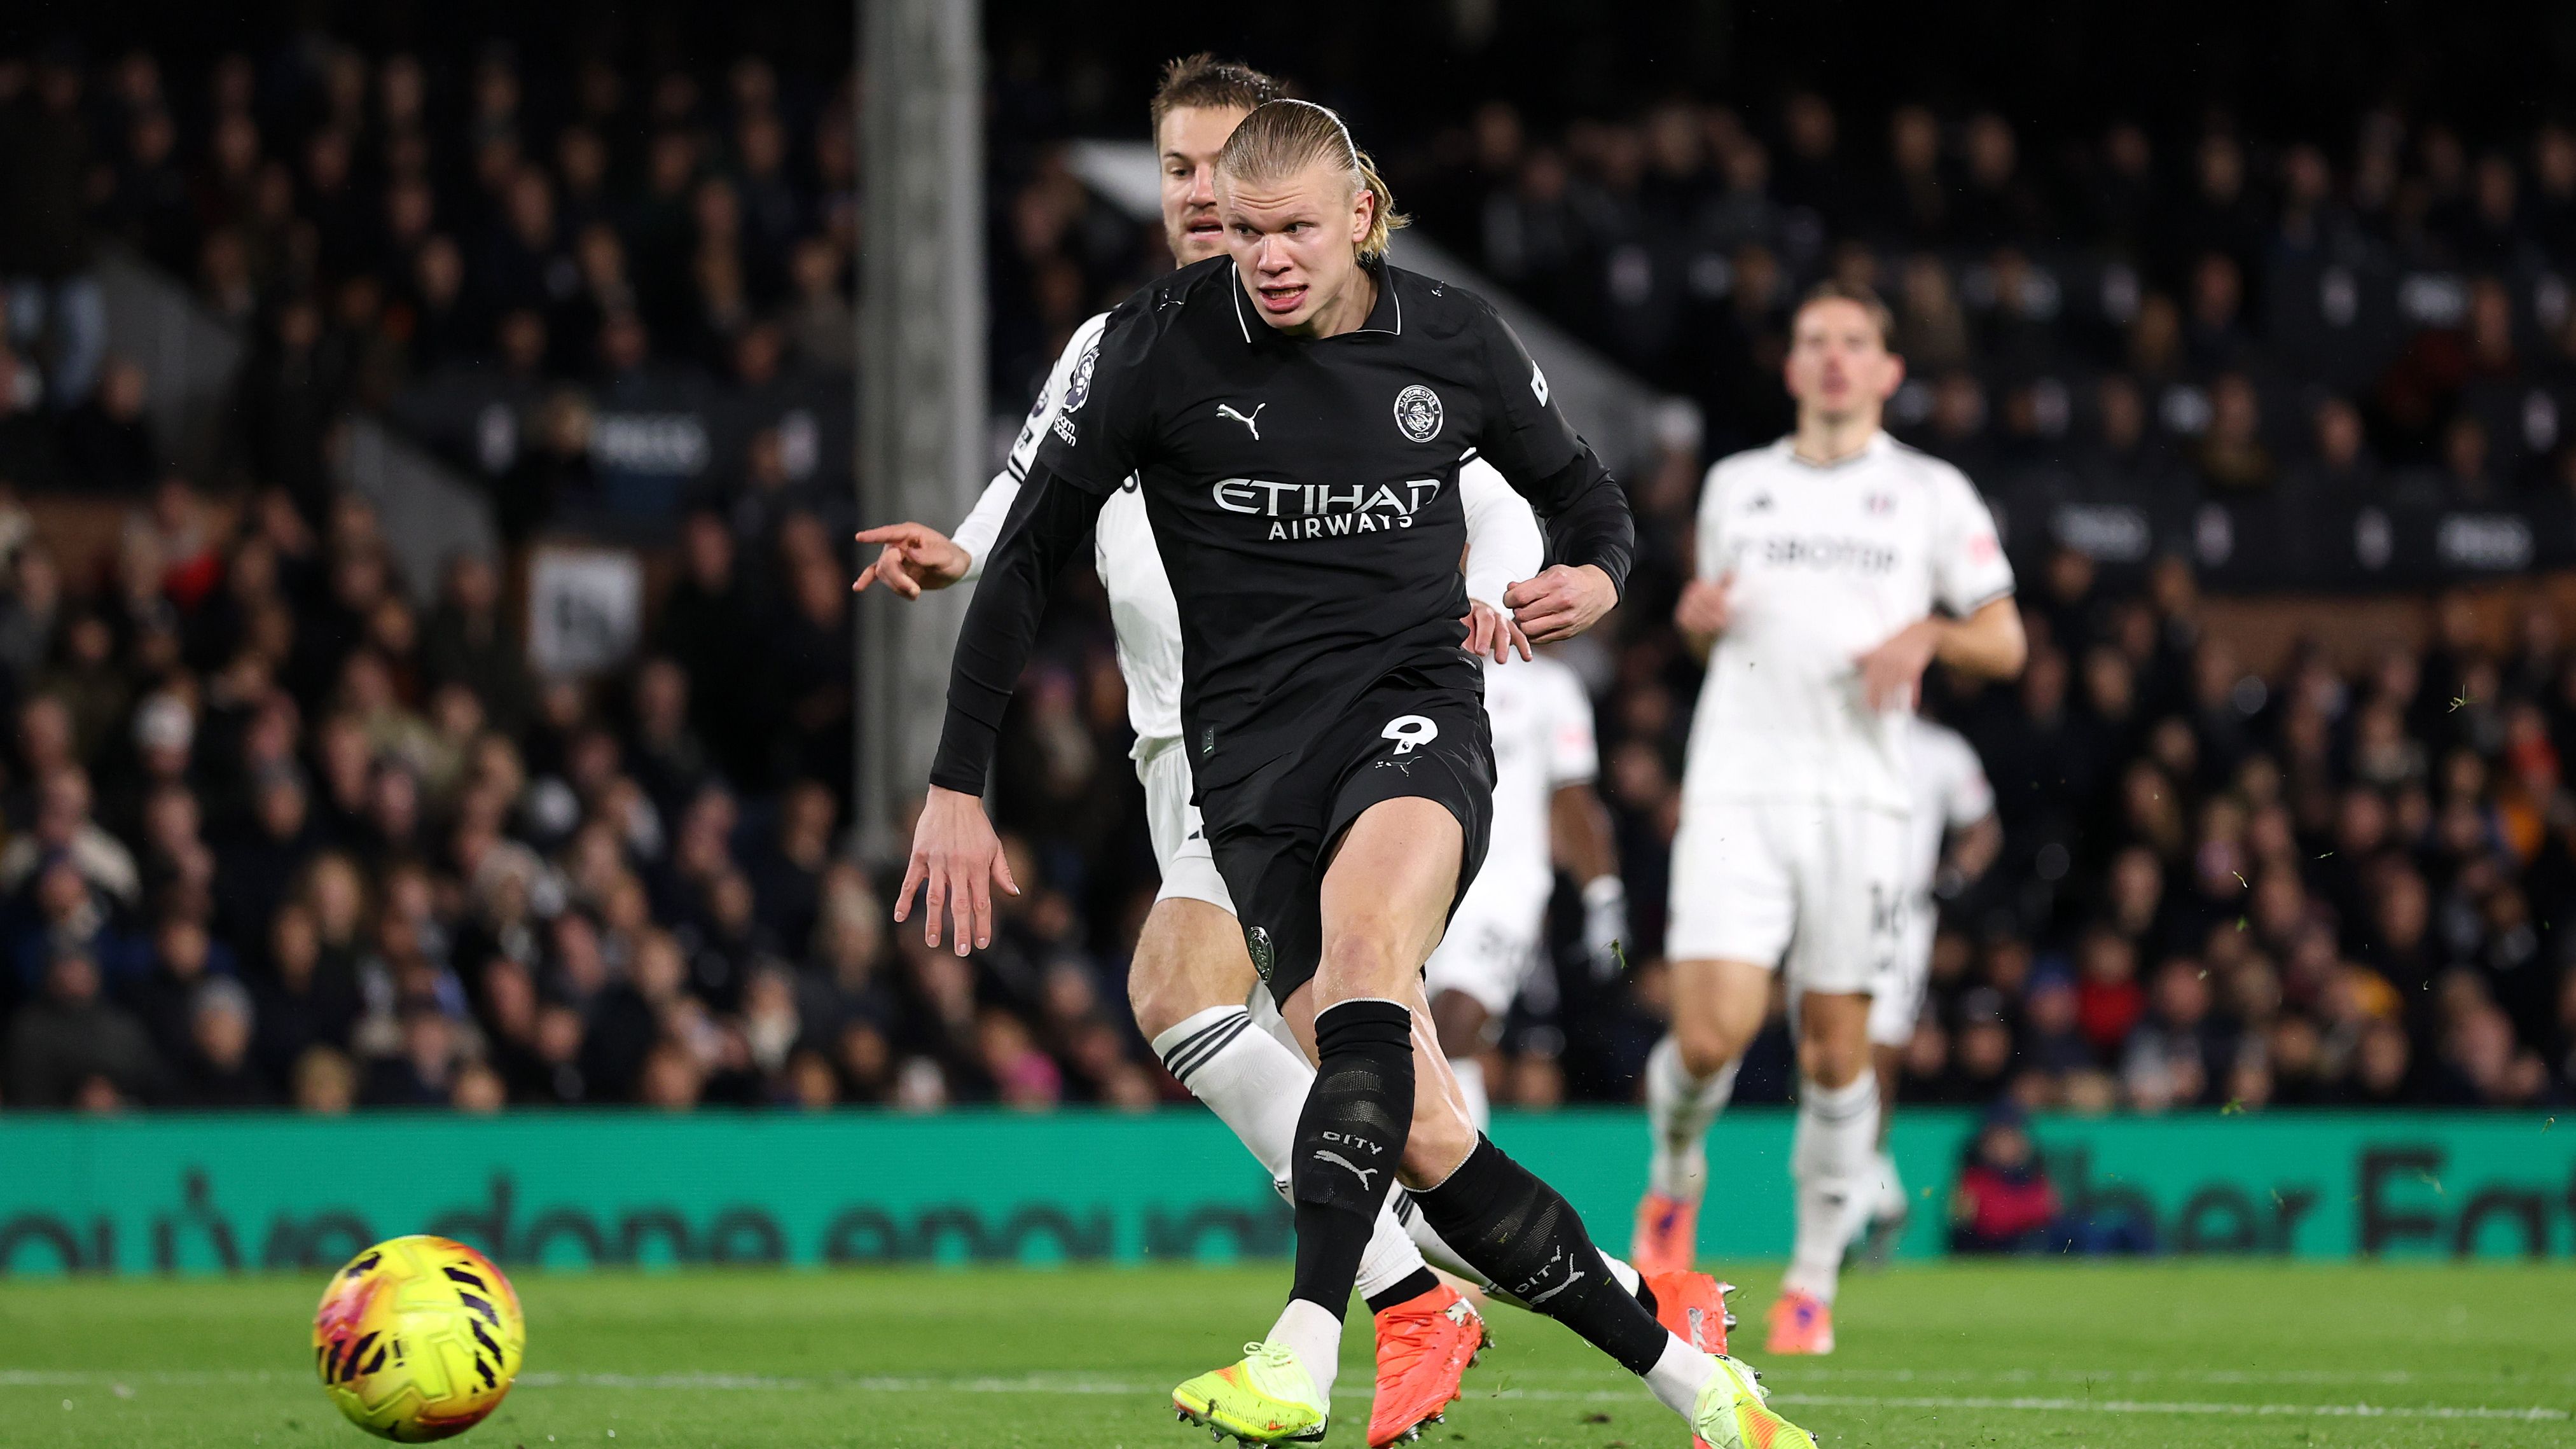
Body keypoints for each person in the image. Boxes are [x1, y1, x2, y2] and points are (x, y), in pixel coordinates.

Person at [897, 97, 1806, 1449]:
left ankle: (1306, 1339)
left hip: (1410, 719)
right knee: (1429, 1139)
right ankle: (1694, 1376)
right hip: (1248, 768)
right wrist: (957, 782)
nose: (1265, 257)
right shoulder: (1154, 345)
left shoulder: (1451, 337)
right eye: (1243, 229)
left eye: (1293, 230)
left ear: (1362, 216)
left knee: (1367, 955)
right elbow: (1028, 553)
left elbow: (1587, 495)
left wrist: (1596, 579)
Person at [1634, 281, 2027, 1356]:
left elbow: (2005, 641)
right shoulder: (1737, 484)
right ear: (1792, 365)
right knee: (1707, 1035)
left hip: (1861, 800)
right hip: (1737, 782)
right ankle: (1674, 1173)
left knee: (1837, 1046)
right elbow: (1713, 633)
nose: (1835, 357)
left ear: (1890, 370)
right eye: (1816, 340)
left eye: (1856, 341)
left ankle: (1810, 1280)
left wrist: (1930, 634)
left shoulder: (1930, 492)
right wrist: (1697, 620)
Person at [1422, 635, 1626, 1129]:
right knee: (1408, 1039)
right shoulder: (1418, 667)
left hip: (1503, 889)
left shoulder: (1550, 686)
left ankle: (1449, 1173)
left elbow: (1574, 796)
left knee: (1456, 1024)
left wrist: (1603, 895)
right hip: (1418, 881)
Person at [1846, 711, 2000, 1262]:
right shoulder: (1835, 732)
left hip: (1900, 920)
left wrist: (1954, 878)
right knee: (1828, 1056)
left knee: (1878, 1052)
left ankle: (1858, 1199)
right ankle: (1876, 1189)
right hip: (1830, 910)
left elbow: (1983, 828)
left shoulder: (1941, 749)